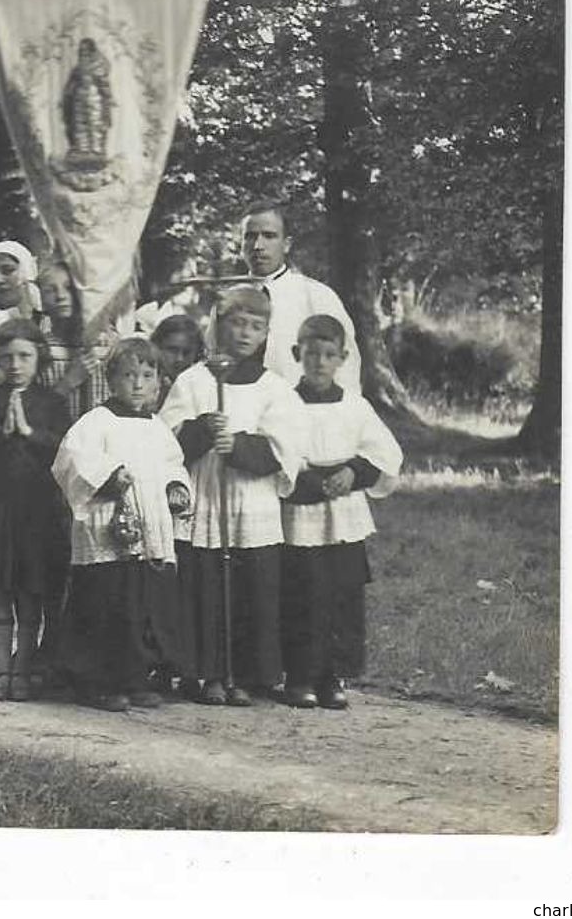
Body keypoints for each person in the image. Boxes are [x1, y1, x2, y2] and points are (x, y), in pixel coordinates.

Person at [160, 286, 304, 706]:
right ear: (219, 325)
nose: (245, 333)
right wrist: (203, 430)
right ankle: (205, 673)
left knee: (250, 587)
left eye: (256, 326)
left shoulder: (273, 388)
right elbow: (167, 440)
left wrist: (240, 446)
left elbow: (286, 446)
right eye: (237, 323)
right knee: (205, 584)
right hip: (206, 497)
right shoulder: (193, 380)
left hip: (250, 501)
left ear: (265, 334)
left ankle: (245, 673)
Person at [52, 338, 192, 712]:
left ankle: (136, 676)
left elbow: (173, 464)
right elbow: (71, 460)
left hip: (149, 529)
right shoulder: (96, 422)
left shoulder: (158, 427)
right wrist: (108, 478)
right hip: (106, 528)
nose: (138, 384)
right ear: (111, 379)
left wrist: (177, 488)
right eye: (129, 375)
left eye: (147, 376)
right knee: (105, 604)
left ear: (159, 382)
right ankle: (97, 681)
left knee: (142, 605)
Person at [280, 315, 402, 710]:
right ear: (298, 355)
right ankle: (299, 676)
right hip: (303, 512)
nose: (319, 362)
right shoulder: (284, 403)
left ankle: (334, 675)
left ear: (343, 359)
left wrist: (353, 472)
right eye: (311, 354)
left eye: (329, 355)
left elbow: (383, 451)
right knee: (304, 593)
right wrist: (313, 484)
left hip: (345, 512)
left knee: (342, 595)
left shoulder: (354, 406)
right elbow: (279, 453)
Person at [0, 319, 71, 702]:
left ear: (38, 358)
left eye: (24, 356)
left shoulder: (52, 403)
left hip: (36, 514)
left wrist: (29, 433)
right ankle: (1, 671)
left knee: (29, 593)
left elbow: (64, 449)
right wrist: (0, 433)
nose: (15, 364)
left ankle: (22, 671)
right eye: (6, 357)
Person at [240, 202, 361, 392]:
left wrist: (337, 414)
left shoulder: (317, 296)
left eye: (269, 236)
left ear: (286, 244)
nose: (257, 246)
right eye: (250, 237)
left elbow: (346, 368)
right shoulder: (230, 299)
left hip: (300, 412)